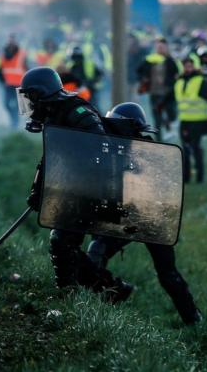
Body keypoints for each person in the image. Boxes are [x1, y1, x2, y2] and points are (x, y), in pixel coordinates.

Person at [18, 67, 133, 301]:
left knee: (62, 240)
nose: (29, 102)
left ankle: (76, 291)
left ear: (42, 94)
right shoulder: (53, 111)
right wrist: (38, 189)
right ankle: (110, 289)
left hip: (92, 187)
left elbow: (100, 146)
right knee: (64, 243)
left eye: (31, 96)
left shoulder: (78, 111)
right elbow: (51, 156)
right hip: (74, 187)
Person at [87, 102, 201, 325]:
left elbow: (158, 190)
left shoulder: (151, 153)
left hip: (150, 218)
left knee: (167, 273)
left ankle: (193, 319)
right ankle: (109, 294)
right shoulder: (108, 148)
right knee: (95, 254)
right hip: (119, 216)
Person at [175, 57, 207, 183]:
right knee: (185, 149)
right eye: (185, 66)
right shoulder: (179, 82)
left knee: (195, 148)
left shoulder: (201, 82)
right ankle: (187, 177)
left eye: (190, 66)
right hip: (184, 120)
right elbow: (172, 97)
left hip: (199, 121)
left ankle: (200, 176)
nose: (187, 68)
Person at [137, 38, 179, 140]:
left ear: (166, 48)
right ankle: (159, 140)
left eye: (162, 46)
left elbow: (177, 74)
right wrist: (144, 79)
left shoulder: (170, 60)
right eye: (158, 46)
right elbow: (139, 71)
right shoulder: (149, 59)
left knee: (172, 114)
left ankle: (168, 126)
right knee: (157, 119)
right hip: (155, 93)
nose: (160, 48)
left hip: (168, 93)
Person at [0, 35, 28, 128]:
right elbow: (1, 69)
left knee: (21, 106)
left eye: (13, 41)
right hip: (8, 85)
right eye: (9, 41)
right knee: (6, 104)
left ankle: (16, 123)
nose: (11, 43)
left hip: (19, 84)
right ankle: (14, 120)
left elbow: (27, 68)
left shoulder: (21, 54)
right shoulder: (4, 55)